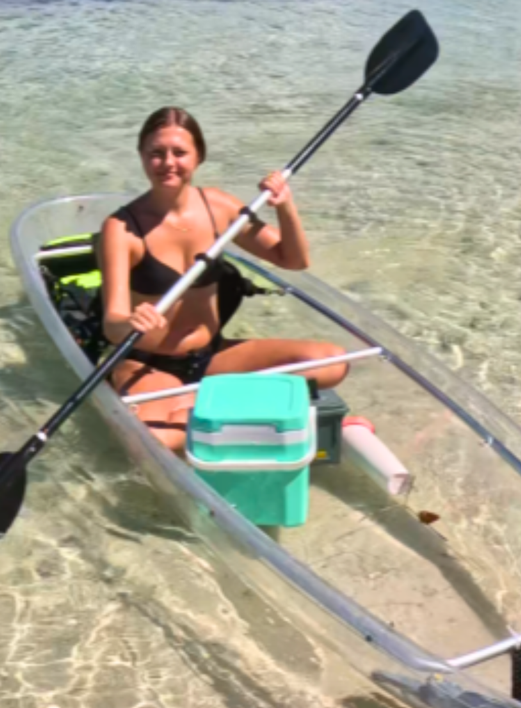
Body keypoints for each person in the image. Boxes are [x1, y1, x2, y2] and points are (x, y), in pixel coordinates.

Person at [100, 106, 349, 451]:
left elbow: (293, 259)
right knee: (152, 440)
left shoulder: (218, 206)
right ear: (142, 157)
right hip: (149, 365)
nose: (168, 163)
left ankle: (197, 416)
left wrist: (285, 207)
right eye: (156, 154)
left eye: (180, 153)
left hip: (213, 357)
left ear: (199, 156)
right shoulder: (121, 229)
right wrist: (130, 321)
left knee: (333, 362)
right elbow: (111, 324)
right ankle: (233, 417)